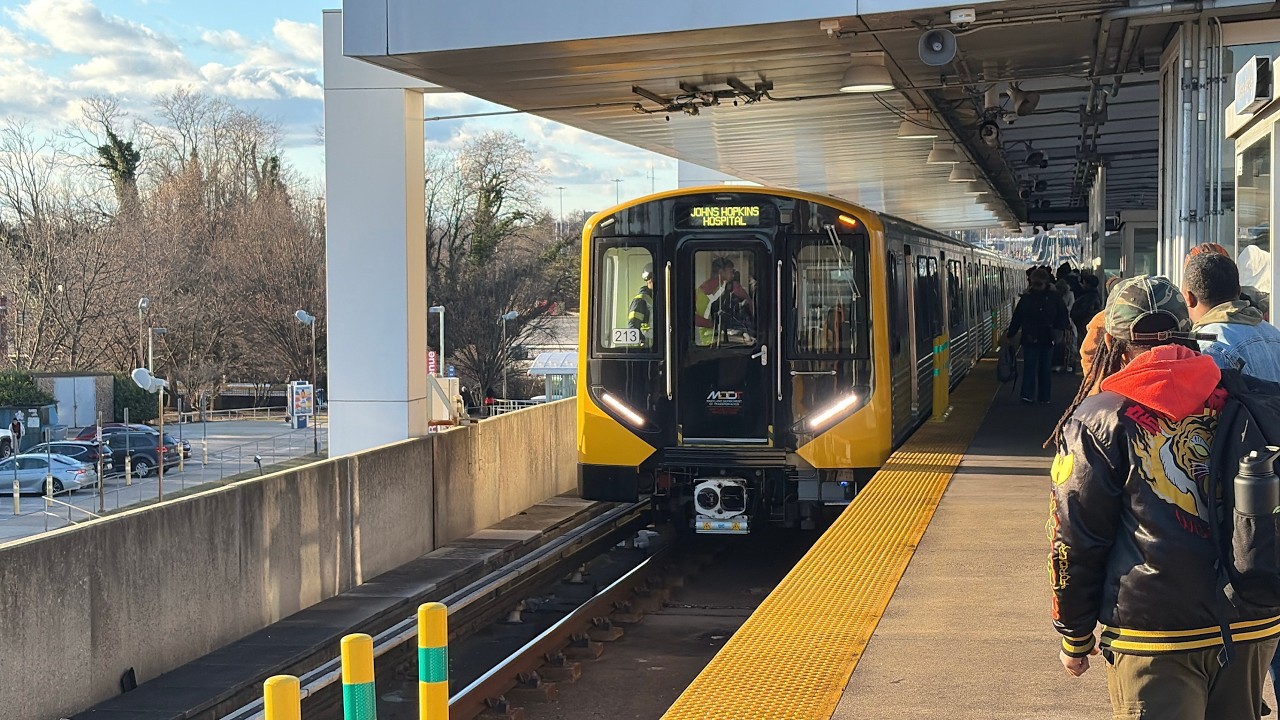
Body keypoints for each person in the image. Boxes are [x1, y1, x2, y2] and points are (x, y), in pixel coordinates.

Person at [1047, 275, 1280, 719]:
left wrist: (1074, 632)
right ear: (1188, 327)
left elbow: (1074, 535)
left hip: (1155, 631)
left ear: (1115, 342)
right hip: (1251, 620)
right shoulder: (1248, 396)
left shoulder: (1101, 417)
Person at [1005, 268, 1068, 403]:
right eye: (1033, 284)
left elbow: (1063, 316)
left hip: (1047, 336)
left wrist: (1059, 331)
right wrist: (1011, 334)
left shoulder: (1054, 297)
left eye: (1038, 284)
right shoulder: (1026, 297)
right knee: (1030, 366)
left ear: (1046, 283)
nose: (1035, 287)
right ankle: (1027, 395)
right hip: (1030, 336)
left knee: (1045, 368)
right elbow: (1017, 317)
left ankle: (1044, 397)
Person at [695, 256, 753, 345]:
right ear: (721, 272)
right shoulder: (729, 286)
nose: (733, 275)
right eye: (730, 272)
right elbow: (748, 302)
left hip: (705, 341)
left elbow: (694, 318)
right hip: (721, 339)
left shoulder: (698, 291)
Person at [627, 267, 654, 341]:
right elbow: (633, 328)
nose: (651, 281)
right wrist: (642, 343)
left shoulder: (662, 298)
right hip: (648, 346)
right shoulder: (640, 300)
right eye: (650, 278)